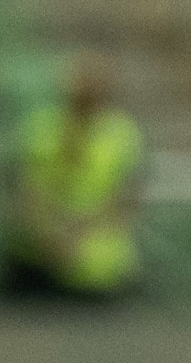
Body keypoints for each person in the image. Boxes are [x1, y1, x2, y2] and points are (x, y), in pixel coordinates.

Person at [7, 57, 143, 298]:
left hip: (97, 252)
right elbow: (28, 193)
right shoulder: (42, 128)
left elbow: (123, 201)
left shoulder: (122, 135)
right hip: (41, 248)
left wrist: (77, 234)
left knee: (99, 270)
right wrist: (48, 236)